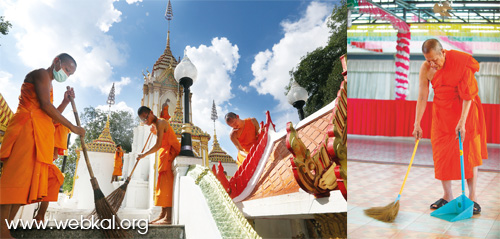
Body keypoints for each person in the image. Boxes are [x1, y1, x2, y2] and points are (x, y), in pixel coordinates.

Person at [0, 53, 85, 237]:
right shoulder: (41, 74)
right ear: (56, 61)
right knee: (14, 182)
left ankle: (5, 228)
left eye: (70, 74)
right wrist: (72, 127)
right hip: (26, 130)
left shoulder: (50, 83)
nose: (67, 75)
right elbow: (46, 106)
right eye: (67, 70)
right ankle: (1, 231)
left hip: (37, 134)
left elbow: (47, 113)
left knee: (27, 185)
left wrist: (64, 101)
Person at [413, 39, 488, 214]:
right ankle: (447, 196)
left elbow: (468, 94)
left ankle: (473, 198)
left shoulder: (460, 62)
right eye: (428, 60)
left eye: (435, 60)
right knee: (441, 154)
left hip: (465, 112)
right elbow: (423, 96)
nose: (432, 64)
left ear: (443, 53)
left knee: (468, 154)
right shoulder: (426, 68)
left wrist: (462, 121)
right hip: (442, 114)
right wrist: (417, 122)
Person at [136, 106, 180, 224]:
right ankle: (162, 213)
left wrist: (143, 154)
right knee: (161, 184)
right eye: (143, 121)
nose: (145, 122)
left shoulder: (161, 122)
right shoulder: (157, 125)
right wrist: (155, 131)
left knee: (167, 184)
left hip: (170, 153)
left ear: (151, 113)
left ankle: (169, 217)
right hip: (164, 155)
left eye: (145, 118)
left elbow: (158, 145)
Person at [33, 123, 70, 222]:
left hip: (43, 161)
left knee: (55, 176)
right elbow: (53, 155)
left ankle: (40, 215)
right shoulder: (59, 127)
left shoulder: (60, 127)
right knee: (55, 176)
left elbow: (54, 156)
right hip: (36, 158)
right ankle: (40, 215)